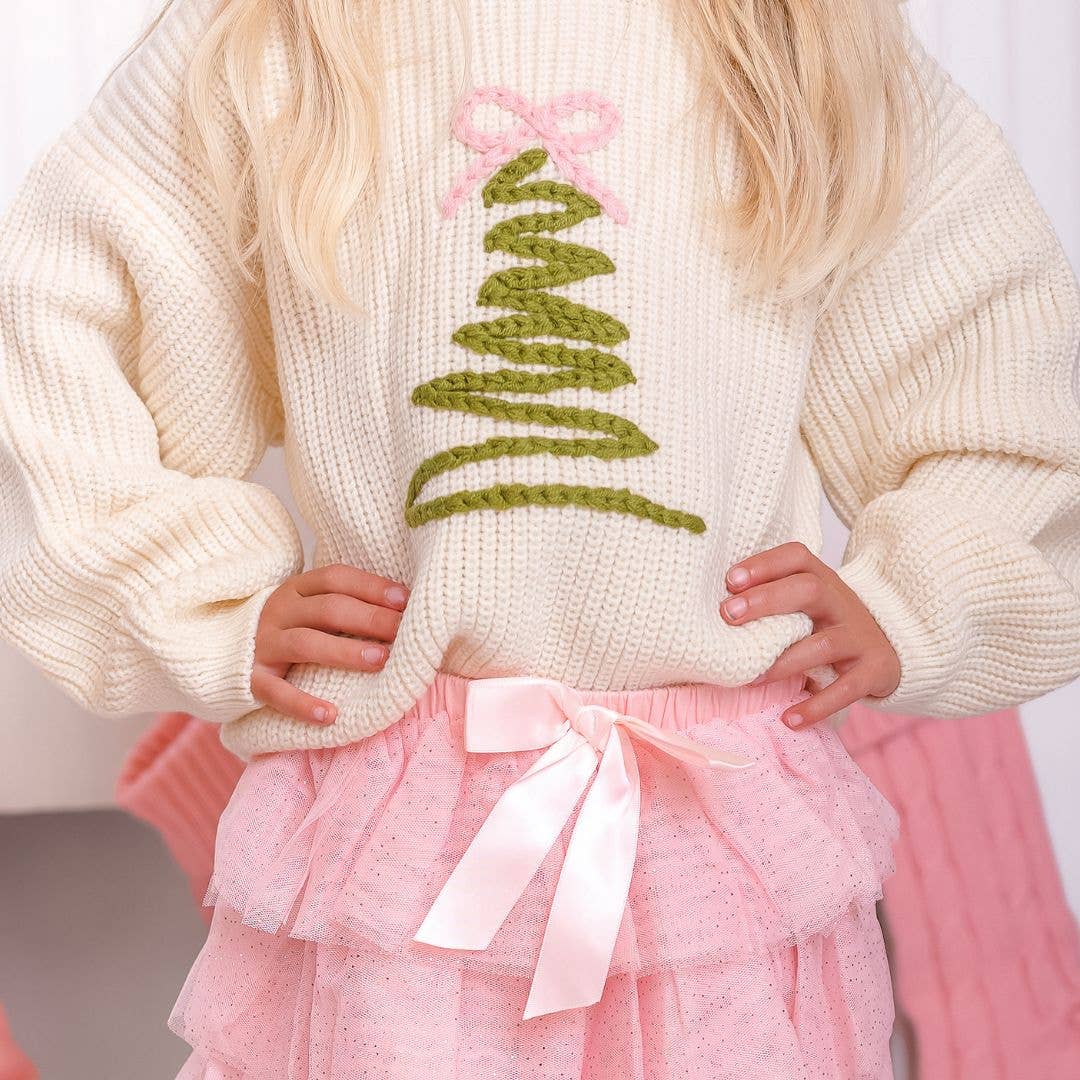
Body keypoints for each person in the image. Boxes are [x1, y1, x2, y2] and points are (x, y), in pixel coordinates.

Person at [1, 0, 1079, 1076]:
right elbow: (67, 313)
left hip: (717, 831)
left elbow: (998, 362)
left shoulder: (802, 45)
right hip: (397, 827)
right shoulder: (286, 40)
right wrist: (189, 594)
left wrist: (928, 596)